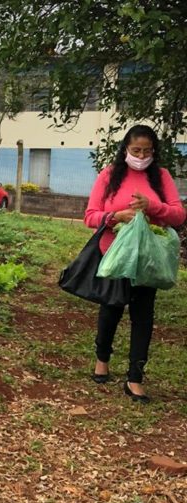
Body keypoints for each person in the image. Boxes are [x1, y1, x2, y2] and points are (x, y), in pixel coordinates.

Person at [84, 124, 186, 403]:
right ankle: (102, 360)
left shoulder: (161, 176)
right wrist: (116, 215)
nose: (141, 156)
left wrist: (152, 207)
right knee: (111, 310)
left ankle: (135, 378)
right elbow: (90, 215)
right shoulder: (109, 175)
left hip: (148, 261)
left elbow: (178, 215)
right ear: (125, 149)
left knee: (143, 317)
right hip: (115, 256)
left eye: (147, 151)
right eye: (136, 150)